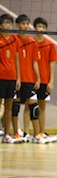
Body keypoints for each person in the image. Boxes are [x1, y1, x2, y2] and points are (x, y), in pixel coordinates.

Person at [14, 14, 43, 143]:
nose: (25, 26)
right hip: (15, 79)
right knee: (15, 107)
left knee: (34, 107)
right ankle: (16, 134)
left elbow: (35, 61)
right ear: (18, 25)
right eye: (22, 24)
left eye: (27, 23)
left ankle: (37, 135)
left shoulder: (32, 41)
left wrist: (38, 78)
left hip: (29, 79)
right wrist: (17, 77)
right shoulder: (13, 40)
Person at [32, 17, 57, 140]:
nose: (40, 29)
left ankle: (41, 132)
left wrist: (51, 81)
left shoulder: (49, 44)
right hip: (31, 79)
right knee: (30, 106)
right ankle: (29, 132)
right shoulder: (31, 42)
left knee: (42, 107)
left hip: (45, 80)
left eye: (43, 27)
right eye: (38, 26)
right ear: (34, 27)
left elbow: (51, 63)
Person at [0, 14, 21, 143]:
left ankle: (7, 134)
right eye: (5, 23)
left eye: (9, 23)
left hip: (11, 77)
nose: (7, 25)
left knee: (9, 106)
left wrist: (18, 77)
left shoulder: (15, 40)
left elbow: (16, 59)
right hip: (1, 76)